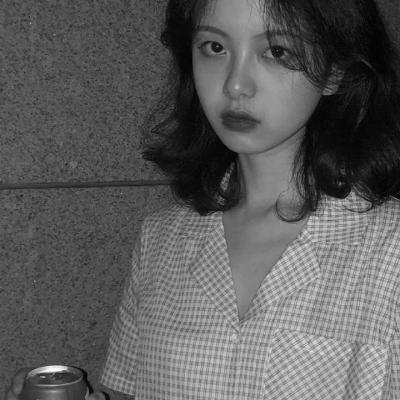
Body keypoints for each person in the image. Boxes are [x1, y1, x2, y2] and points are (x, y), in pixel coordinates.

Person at [6, 0, 400, 398]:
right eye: (214, 47)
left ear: (334, 70)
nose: (235, 85)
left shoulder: (389, 249)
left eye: (277, 51)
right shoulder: (162, 241)